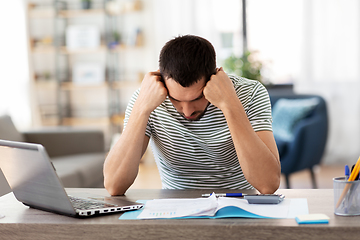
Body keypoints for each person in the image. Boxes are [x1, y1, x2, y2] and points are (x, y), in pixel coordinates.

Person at [104, 35, 280, 196]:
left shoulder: (251, 93)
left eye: (197, 98)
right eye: (176, 100)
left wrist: (229, 104)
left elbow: (268, 184)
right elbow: (114, 185)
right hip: (175, 208)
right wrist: (141, 108)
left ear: (215, 78)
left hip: (239, 204)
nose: (187, 111)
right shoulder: (147, 98)